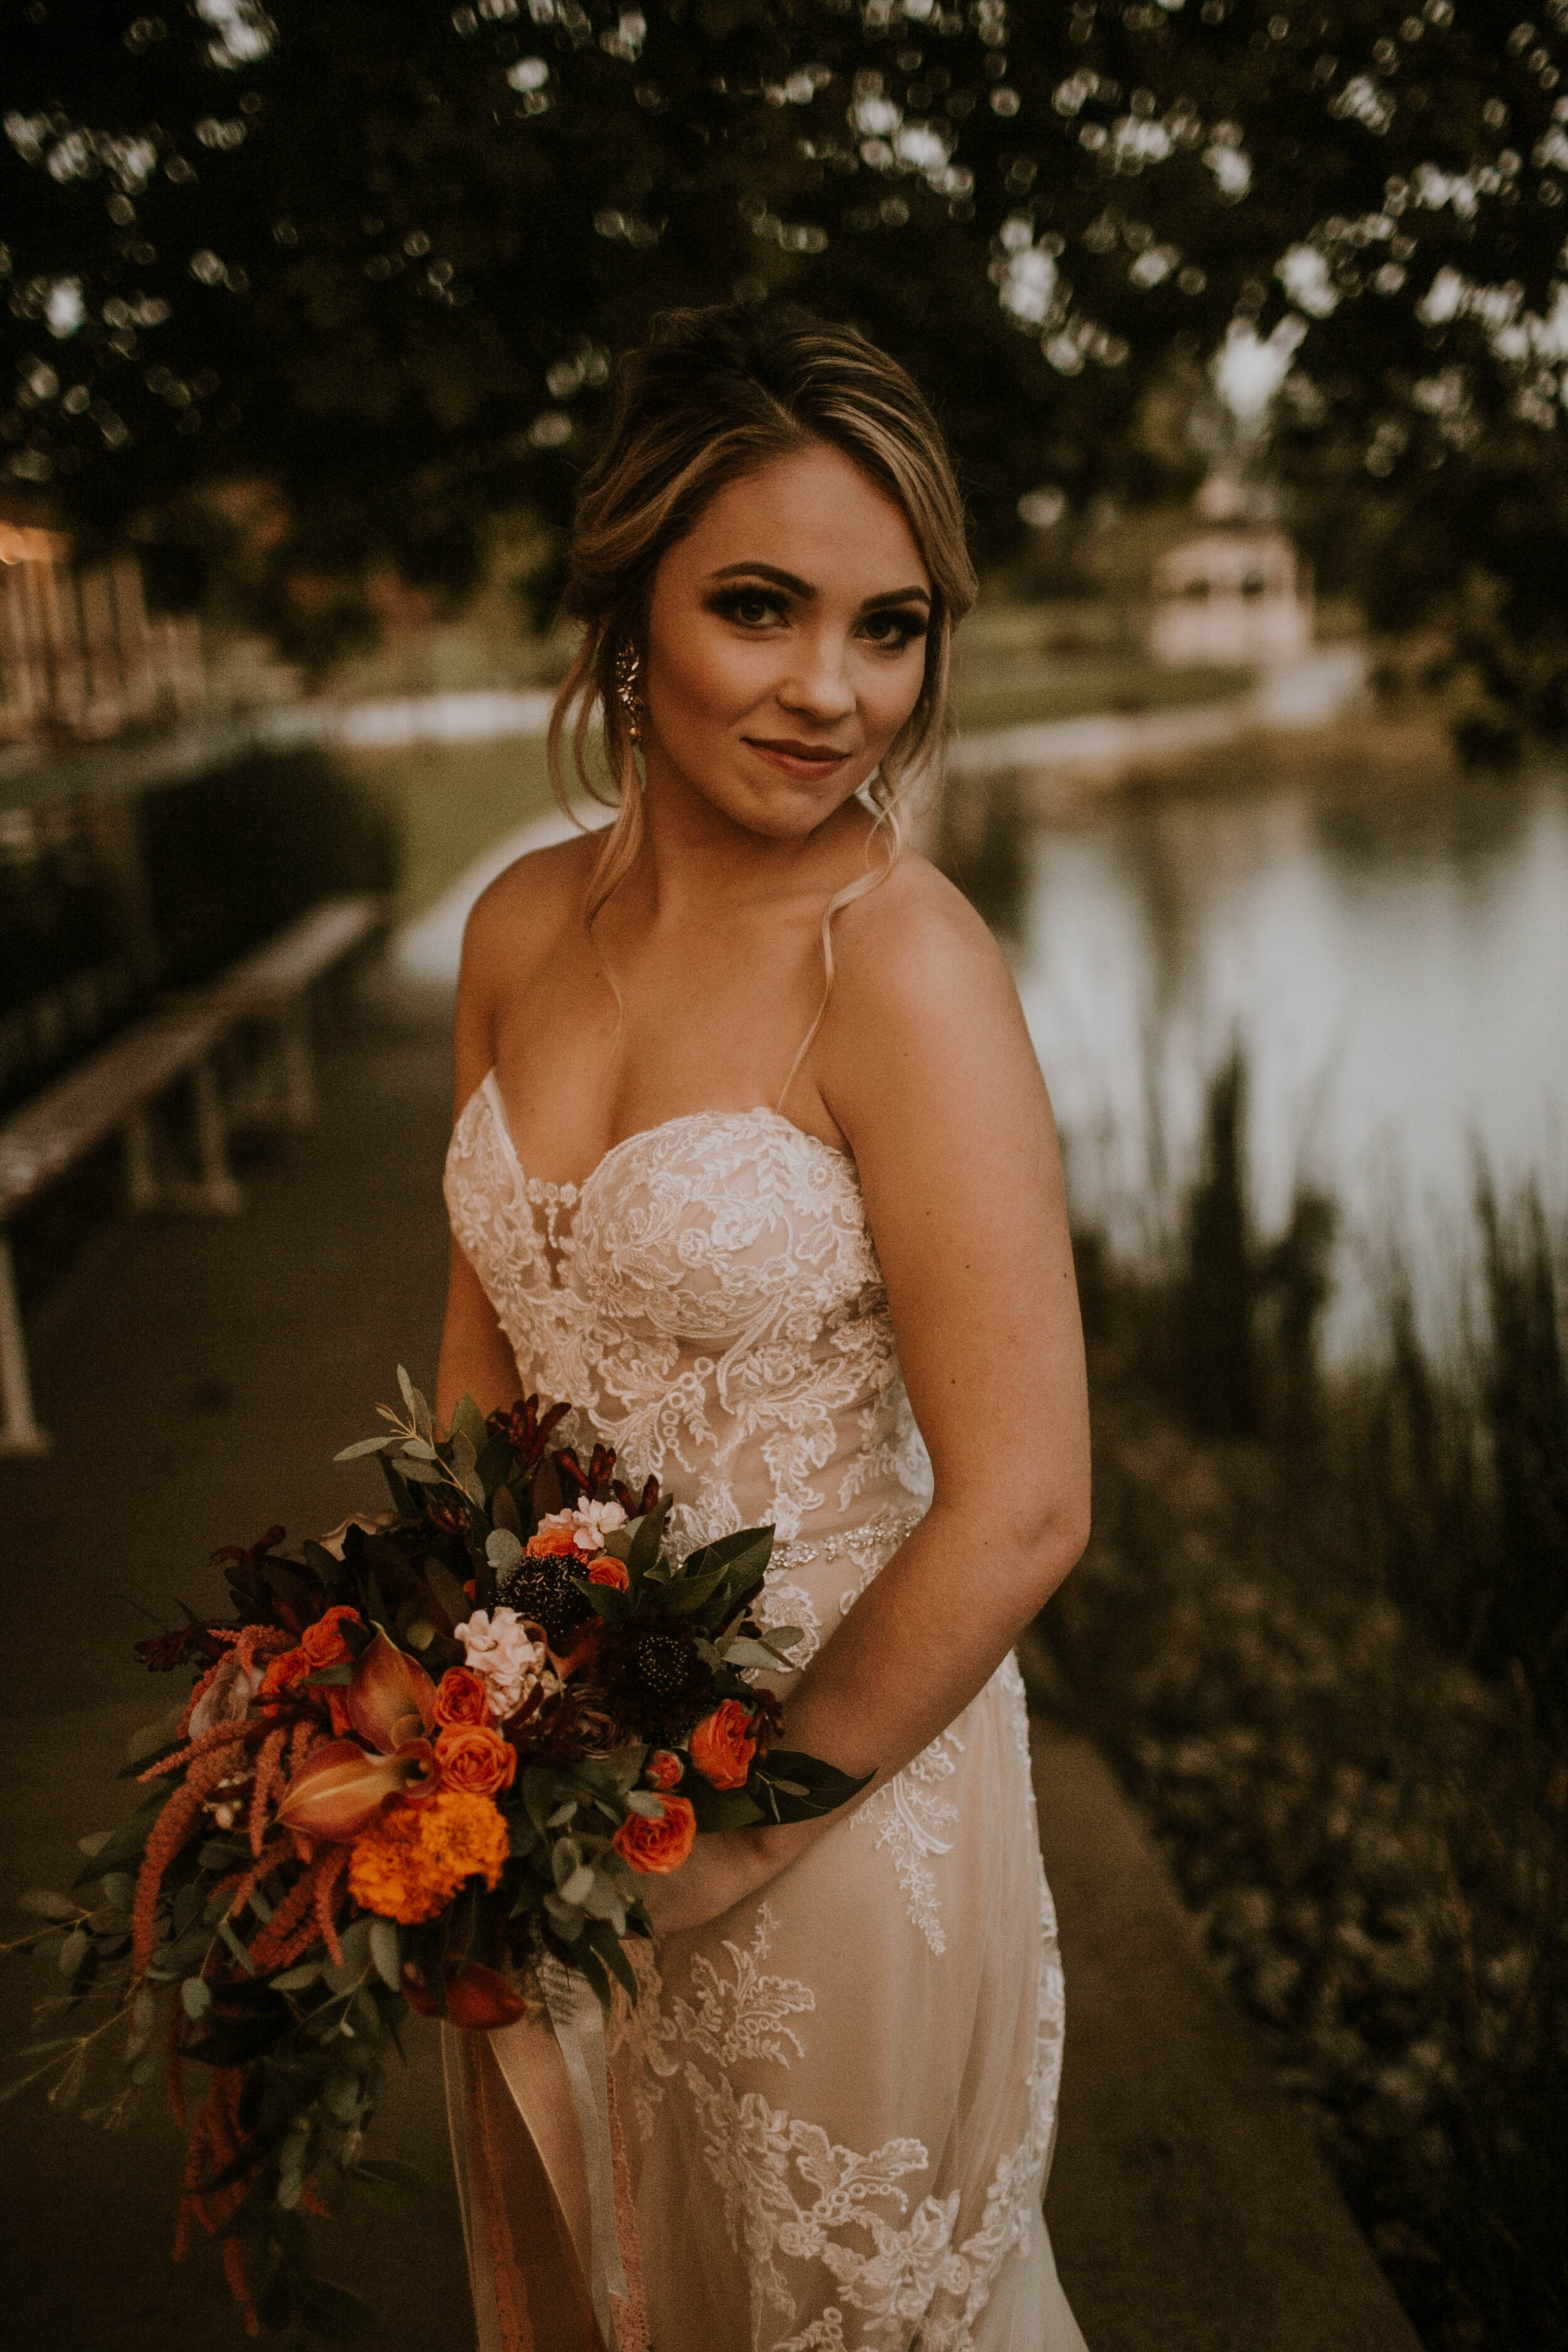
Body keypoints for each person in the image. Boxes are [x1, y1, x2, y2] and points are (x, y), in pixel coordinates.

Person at [437, 305, 1091, 2352]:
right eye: (758, 607)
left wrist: (733, 1842)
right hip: (550, 1799)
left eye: (886, 628)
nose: (833, 694)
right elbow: (482, 1379)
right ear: (628, 604)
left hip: (832, 1807)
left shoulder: (901, 967)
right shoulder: (515, 924)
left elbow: (1024, 1506)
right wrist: (412, 1717)